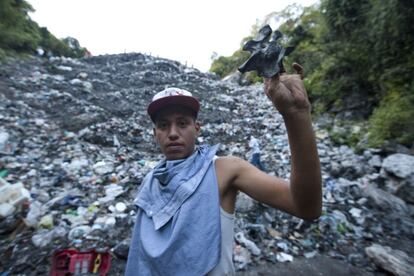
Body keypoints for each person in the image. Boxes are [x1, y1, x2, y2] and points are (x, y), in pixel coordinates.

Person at [125, 63, 322, 276]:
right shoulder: (150, 182)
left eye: (182, 123)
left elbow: (306, 208)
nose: (172, 133)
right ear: (155, 134)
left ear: (197, 128)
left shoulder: (223, 169)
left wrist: (296, 115)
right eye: (163, 125)